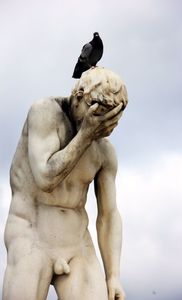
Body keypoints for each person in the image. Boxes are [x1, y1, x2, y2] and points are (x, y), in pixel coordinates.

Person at [3, 67, 128, 300]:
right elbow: (45, 178)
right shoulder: (45, 113)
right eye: (99, 114)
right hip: (30, 233)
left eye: (113, 118)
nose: (105, 125)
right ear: (79, 97)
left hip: (77, 243)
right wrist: (85, 135)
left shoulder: (104, 151)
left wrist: (113, 275)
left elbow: (109, 215)